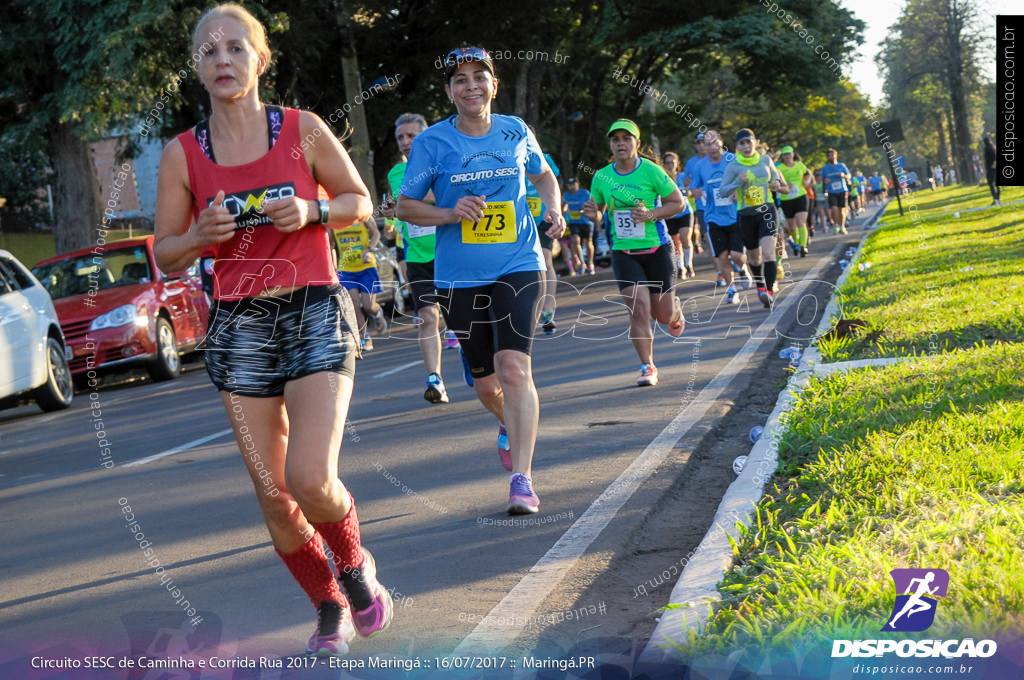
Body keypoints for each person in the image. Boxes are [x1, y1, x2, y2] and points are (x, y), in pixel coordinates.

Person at [153, 4, 391, 656]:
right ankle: (326, 604)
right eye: (208, 51)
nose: (222, 60)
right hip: (238, 326)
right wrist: (198, 236)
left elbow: (360, 203)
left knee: (311, 476)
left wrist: (314, 209)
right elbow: (166, 252)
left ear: (261, 60)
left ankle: (352, 565)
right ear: (197, 67)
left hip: (313, 307)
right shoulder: (182, 156)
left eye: (235, 48)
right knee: (273, 492)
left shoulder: (304, 130)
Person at [396, 47, 565, 514]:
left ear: (494, 85)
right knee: (486, 384)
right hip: (458, 275)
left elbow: (544, 175)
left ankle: (522, 480)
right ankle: (510, 422)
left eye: (479, 77)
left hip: (518, 262)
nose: (470, 85)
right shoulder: (433, 143)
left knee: (515, 368)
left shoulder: (515, 130)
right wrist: (450, 212)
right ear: (450, 91)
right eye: (460, 79)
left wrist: (553, 205)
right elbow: (407, 206)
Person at [581, 119, 685, 387]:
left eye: (626, 139)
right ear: (611, 145)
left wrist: (652, 214)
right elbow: (599, 213)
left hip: (657, 248)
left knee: (662, 316)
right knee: (639, 310)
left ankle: (675, 311)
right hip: (624, 252)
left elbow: (677, 203)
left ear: (637, 144)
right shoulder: (602, 176)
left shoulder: (652, 171)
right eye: (615, 140)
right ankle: (647, 365)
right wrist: (593, 214)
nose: (620, 144)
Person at [380, 112, 450, 403]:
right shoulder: (396, 173)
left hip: (450, 251)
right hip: (417, 256)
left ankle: (480, 365)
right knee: (425, 316)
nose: (406, 142)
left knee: (460, 316)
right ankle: (434, 378)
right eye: (401, 137)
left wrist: (412, 200)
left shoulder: (444, 164)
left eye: (412, 136)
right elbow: (396, 211)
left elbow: (448, 199)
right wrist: (389, 211)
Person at [720, 129, 787, 308]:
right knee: (755, 259)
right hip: (746, 214)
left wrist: (776, 184)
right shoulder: (733, 166)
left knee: (768, 253)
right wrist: (737, 183)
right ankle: (760, 288)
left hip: (767, 210)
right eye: (742, 143)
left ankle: (769, 292)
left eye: (749, 142)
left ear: (755, 142)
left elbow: (779, 181)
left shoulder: (765, 160)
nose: (746, 146)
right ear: (737, 147)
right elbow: (723, 191)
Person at [690, 130, 747, 305]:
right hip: (713, 217)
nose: (712, 147)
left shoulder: (732, 159)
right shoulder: (700, 166)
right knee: (721, 257)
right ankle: (732, 290)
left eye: (715, 142)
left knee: (737, 255)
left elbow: (747, 179)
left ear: (721, 143)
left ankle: (743, 268)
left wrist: (740, 192)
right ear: (704, 147)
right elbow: (692, 189)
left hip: (735, 214)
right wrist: (696, 192)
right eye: (708, 144)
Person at [335, 216, 387, 352]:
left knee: (369, 306)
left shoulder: (363, 215)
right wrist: (333, 266)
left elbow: (376, 232)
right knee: (354, 305)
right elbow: (330, 245)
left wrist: (369, 249)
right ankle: (365, 337)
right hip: (346, 269)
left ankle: (377, 312)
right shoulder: (333, 220)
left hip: (366, 266)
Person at [661, 151, 695, 280]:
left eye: (672, 163)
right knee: (675, 243)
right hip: (670, 214)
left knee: (685, 238)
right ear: (664, 165)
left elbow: (691, 192)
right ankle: (680, 267)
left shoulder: (682, 177)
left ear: (677, 164)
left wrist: (687, 190)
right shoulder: (663, 179)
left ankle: (688, 264)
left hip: (685, 212)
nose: (670, 166)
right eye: (668, 163)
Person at [775, 146, 812, 257]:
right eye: (785, 154)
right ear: (782, 156)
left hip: (800, 196)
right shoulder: (779, 168)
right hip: (786, 198)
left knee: (801, 222)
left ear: (793, 154)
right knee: (791, 226)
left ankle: (803, 246)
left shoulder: (800, 165)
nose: (787, 156)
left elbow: (808, 174)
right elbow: (775, 181)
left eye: (789, 153)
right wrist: (785, 186)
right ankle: (796, 242)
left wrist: (806, 181)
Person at [562, 176, 594, 278]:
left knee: (588, 243)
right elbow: (563, 206)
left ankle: (590, 263)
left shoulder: (585, 193)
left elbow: (592, 204)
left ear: (578, 184)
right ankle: (582, 262)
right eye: (570, 185)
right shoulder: (566, 195)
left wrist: (586, 208)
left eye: (573, 184)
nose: (572, 187)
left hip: (585, 221)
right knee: (575, 241)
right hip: (573, 222)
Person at [821, 149, 852, 233]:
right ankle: (835, 225)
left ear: (836, 156)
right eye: (829, 156)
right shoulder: (825, 168)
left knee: (841, 210)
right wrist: (825, 180)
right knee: (834, 209)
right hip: (831, 191)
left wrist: (844, 175)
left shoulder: (841, 165)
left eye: (832, 155)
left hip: (842, 190)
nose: (831, 157)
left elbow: (849, 176)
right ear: (827, 158)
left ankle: (842, 226)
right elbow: (821, 179)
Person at [984, 137, 1000, 206]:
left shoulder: (987, 149)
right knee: (995, 184)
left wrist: (992, 165)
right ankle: (997, 199)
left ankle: (995, 199)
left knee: (991, 184)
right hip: (993, 168)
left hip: (991, 168)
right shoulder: (993, 148)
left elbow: (992, 158)